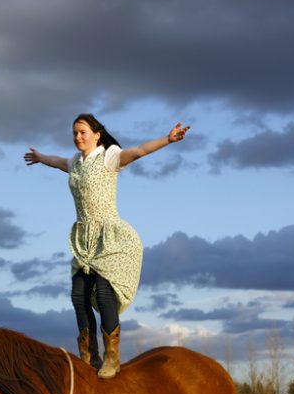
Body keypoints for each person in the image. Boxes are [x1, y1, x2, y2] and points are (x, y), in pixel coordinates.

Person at [24, 114, 190, 378]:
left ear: (97, 134)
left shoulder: (108, 156)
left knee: (103, 293)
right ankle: (90, 357)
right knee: (78, 296)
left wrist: (168, 140)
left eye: (83, 132)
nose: (78, 137)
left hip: (109, 236)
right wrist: (41, 157)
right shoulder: (75, 163)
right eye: (75, 133)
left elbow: (137, 152)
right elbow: (57, 163)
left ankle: (112, 357)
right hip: (84, 239)